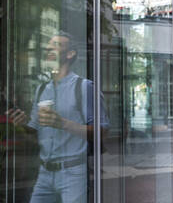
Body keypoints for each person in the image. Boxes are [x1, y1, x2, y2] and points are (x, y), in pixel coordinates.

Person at [6, 31, 109, 203]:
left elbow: (103, 131)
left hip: (73, 173)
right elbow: (34, 132)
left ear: (70, 54)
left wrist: (63, 123)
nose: (49, 48)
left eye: (56, 45)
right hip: (45, 173)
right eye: (48, 45)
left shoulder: (84, 88)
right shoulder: (41, 89)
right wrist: (22, 124)